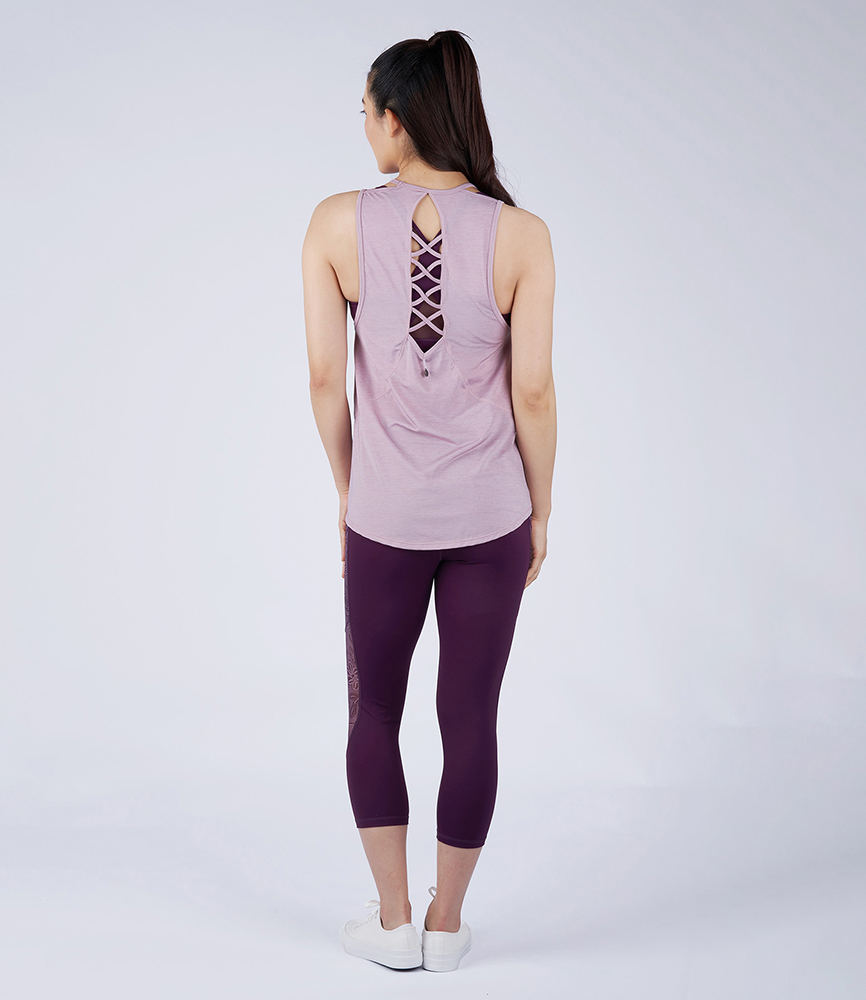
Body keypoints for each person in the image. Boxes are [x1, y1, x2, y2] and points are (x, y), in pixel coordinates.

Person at [302, 29, 556, 973]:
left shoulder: (334, 225)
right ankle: (447, 927)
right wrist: (541, 509)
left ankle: (393, 920)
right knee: (471, 719)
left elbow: (324, 378)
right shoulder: (522, 235)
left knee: (374, 713)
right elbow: (535, 394)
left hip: (386, 518)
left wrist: (348, 488)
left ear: (397, 121)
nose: (365, 127)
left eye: (367, 112)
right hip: (492, 519)